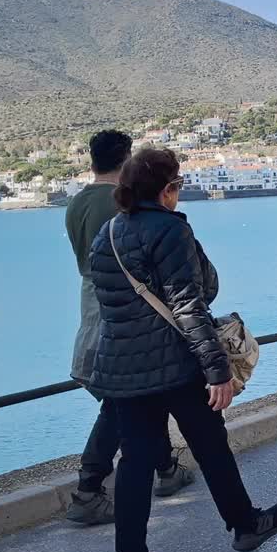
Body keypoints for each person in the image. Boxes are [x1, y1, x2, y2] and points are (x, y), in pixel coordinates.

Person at [89, 147, 277, 552]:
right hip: (177, 364)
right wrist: (217, 370)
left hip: (123, 369)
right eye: (176, 185)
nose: (178, 193)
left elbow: (112, 304)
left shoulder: (108, 234)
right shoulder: (170, 230)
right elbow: (189, 303)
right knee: (210, 444)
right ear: (165, 189)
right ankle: (244, 524)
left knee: (135, 461)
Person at [64, 130, 194, 526]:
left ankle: (167, 469)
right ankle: (88, 488)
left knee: (136, 396)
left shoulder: (75, 204)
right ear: (126, 160)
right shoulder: (118, 203)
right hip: (122, 307)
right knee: (121, 399)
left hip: (91, 302)